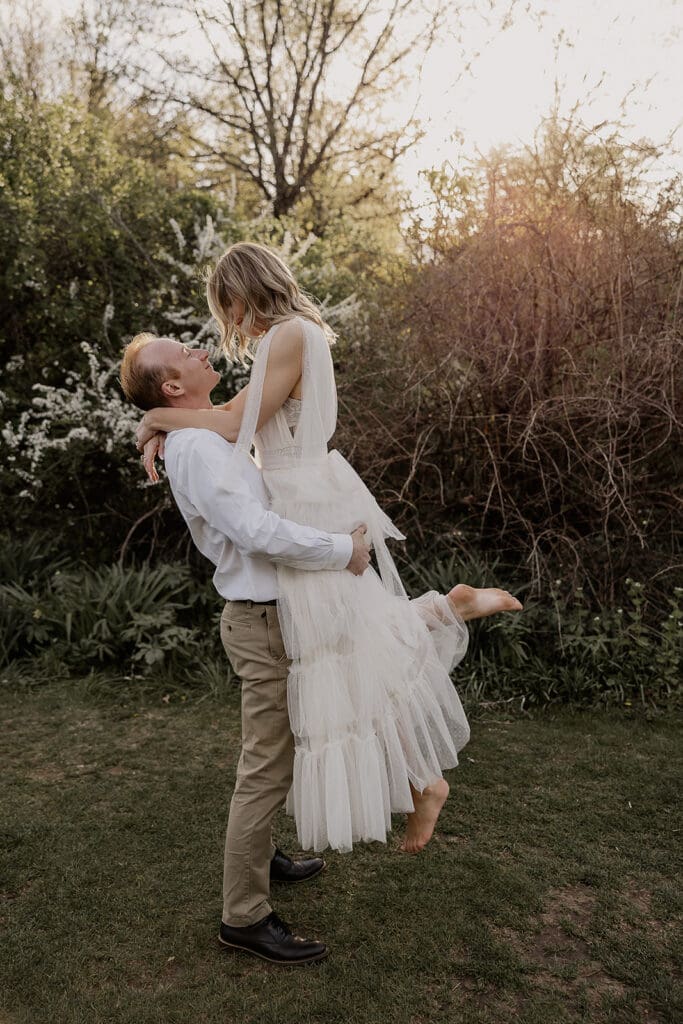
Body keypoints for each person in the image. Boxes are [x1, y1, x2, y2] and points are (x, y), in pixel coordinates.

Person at [133, 244, 522, 862]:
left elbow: (231, 426)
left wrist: (155, 417)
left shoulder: (287, 335)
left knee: (343, 659)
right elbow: (230, 414)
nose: (228, 322)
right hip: (304, 493)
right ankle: (444, 620)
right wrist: (164, 422)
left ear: (247, 291)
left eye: (228, 306)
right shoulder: (289, 335)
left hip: (301, 500)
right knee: (354, 650)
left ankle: (427, 772)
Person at [120, 333, 373, 965]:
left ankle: (264, 856)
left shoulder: (204, 434)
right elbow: (256, 532)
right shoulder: (197, 450)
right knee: (265, 768)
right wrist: (342, 550)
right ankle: (244, 916)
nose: (202, 351)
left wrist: (154, 422)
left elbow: (242, 421)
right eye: (186, 354)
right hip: (261, 623)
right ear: (172, 385)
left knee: (276, 754)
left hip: (276, 613)